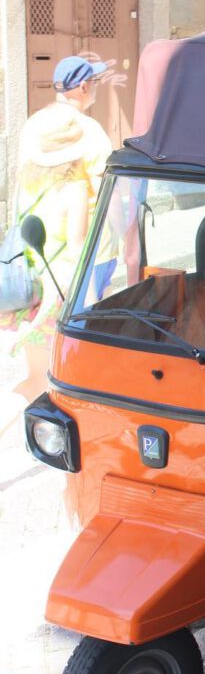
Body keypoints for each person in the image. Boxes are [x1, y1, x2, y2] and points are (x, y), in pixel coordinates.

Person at [0, 57, 112, 417]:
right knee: (83, 378)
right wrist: (94, 304)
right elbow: (80, 248)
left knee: (36, 378)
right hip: (65, 291)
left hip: (35, 284)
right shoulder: (76, 185)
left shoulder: (29, 176)